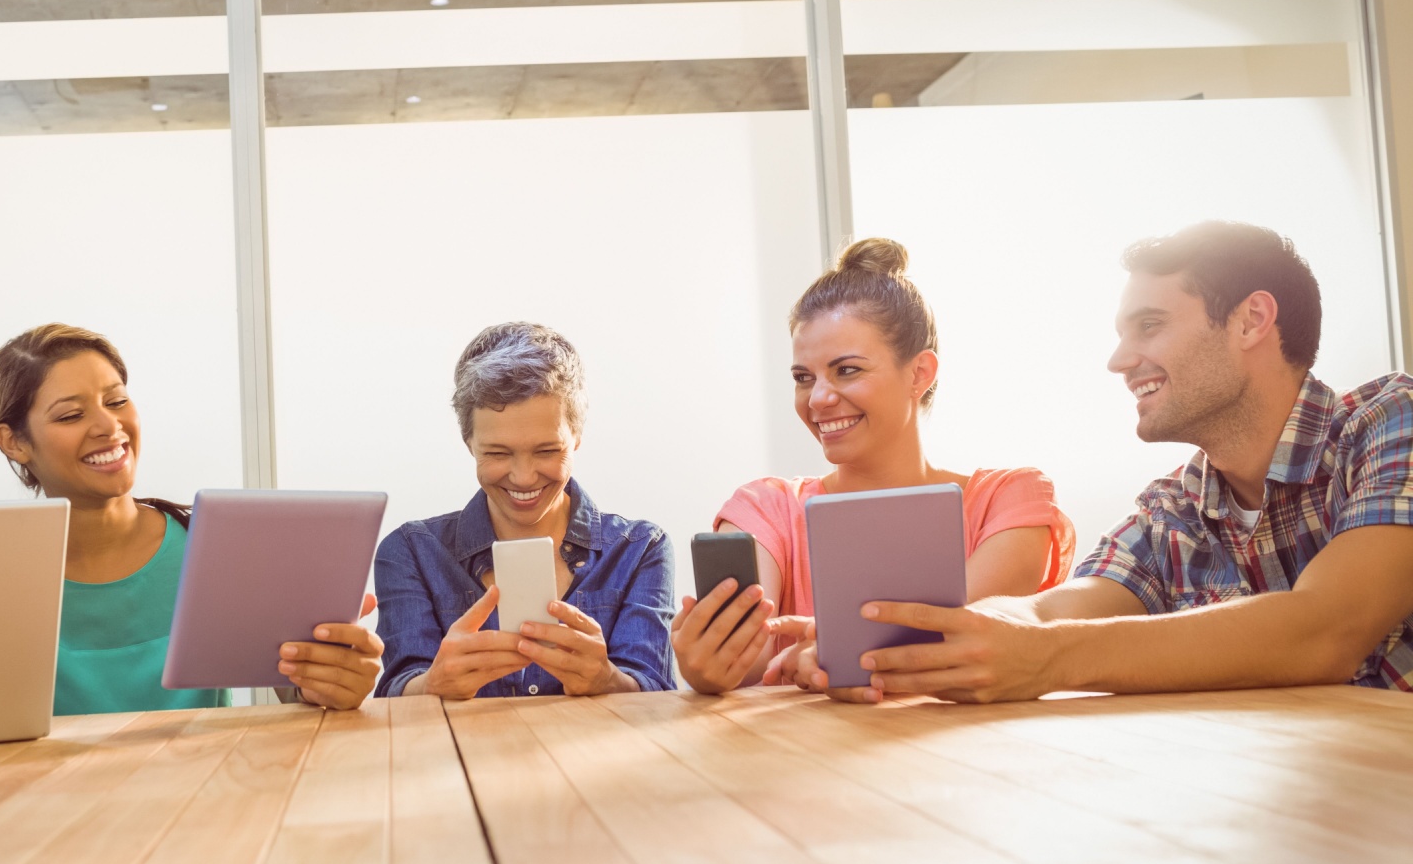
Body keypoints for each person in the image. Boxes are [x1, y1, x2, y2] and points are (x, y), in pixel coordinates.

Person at [820, 220, 1413, 703]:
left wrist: (1048, 661)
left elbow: (1327, 629)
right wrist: (882, 644)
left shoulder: (1391, 422)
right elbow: (1045, 612)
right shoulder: (1173, 509)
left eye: (1148, 327)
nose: (1119, 360)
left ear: (1252, 321)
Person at [674, 238, 1076, 695]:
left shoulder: (1009, 500)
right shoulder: (765, 507)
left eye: (847, 370)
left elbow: (956, 635)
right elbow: (749, 662)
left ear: (920, 373)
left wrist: (832, 654)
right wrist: (707, 666)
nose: (818, 398)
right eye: (803, 378)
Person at [0, 324, 382, 714]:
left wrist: (330, 681)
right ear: (15, 442)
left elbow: (298, 692)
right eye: (71, 415)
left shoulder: (217, 550)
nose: (109, 427)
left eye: (117, 401)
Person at [374, 322, 676, 700]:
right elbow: (399, 685)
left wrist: (609, 680)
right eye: (497, 453)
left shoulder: (640, 549)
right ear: (469, 442)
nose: (523, 476)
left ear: (577, 437)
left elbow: (655, 695)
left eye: (547, 451)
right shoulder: (411, 552)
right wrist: (432, 685)